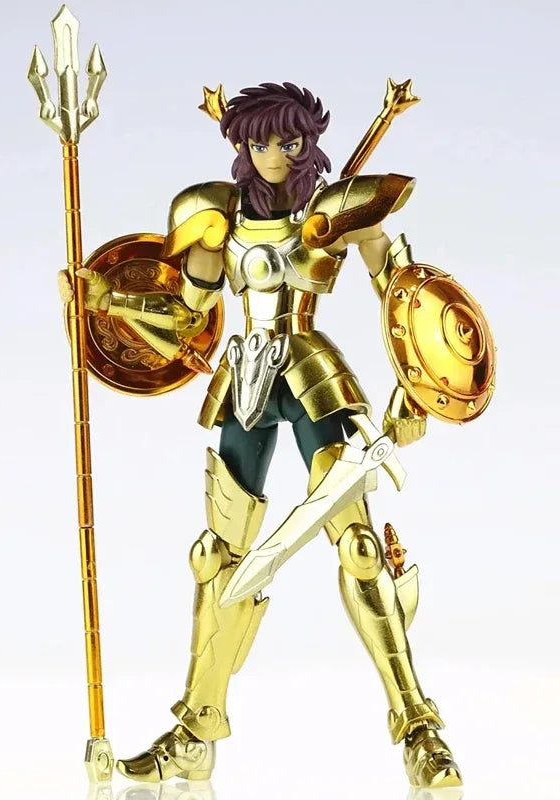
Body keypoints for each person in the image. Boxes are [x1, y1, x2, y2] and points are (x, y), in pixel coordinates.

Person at [62, 82, 463, 788]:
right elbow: (186, 316)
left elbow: (405, 293)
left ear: (308, 144)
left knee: (361, 547)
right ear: (241, 146)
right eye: (260, 142)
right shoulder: (213, 216)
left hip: (311, 374)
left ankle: (418, 728)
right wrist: (107, 298)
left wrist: (417, 387)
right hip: (245, 381)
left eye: (288, 141)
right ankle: (195, 732)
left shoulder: (337, 209)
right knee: (215, 557)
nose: (274, 154)